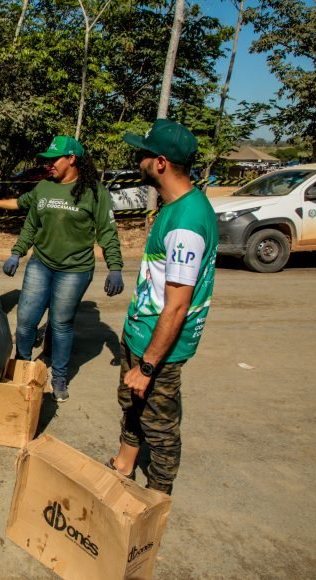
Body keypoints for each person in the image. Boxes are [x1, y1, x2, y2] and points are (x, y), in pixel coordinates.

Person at [105, 119, 217, 495]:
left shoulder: (186, 222)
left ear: (161, 163)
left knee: (160, 426)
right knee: (132, 404)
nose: (138, 160)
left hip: (159, 347)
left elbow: (177, 307)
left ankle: (156, 498)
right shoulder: (175, 207)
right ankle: (124, 463)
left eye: (144, 154)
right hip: (141, 334)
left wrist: (149, 365)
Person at [2, 136, 124, 403]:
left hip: (75, 270)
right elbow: (31, 225)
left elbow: (107, 232)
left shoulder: (95, 192)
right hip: (41, 264)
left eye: (54, 159)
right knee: (25, 321)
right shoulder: (45, 187)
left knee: (60, 324)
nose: (49, 164)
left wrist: (115, 266)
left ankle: (58, 376)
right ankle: (22, 366)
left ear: (71, 158)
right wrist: (17, 252)